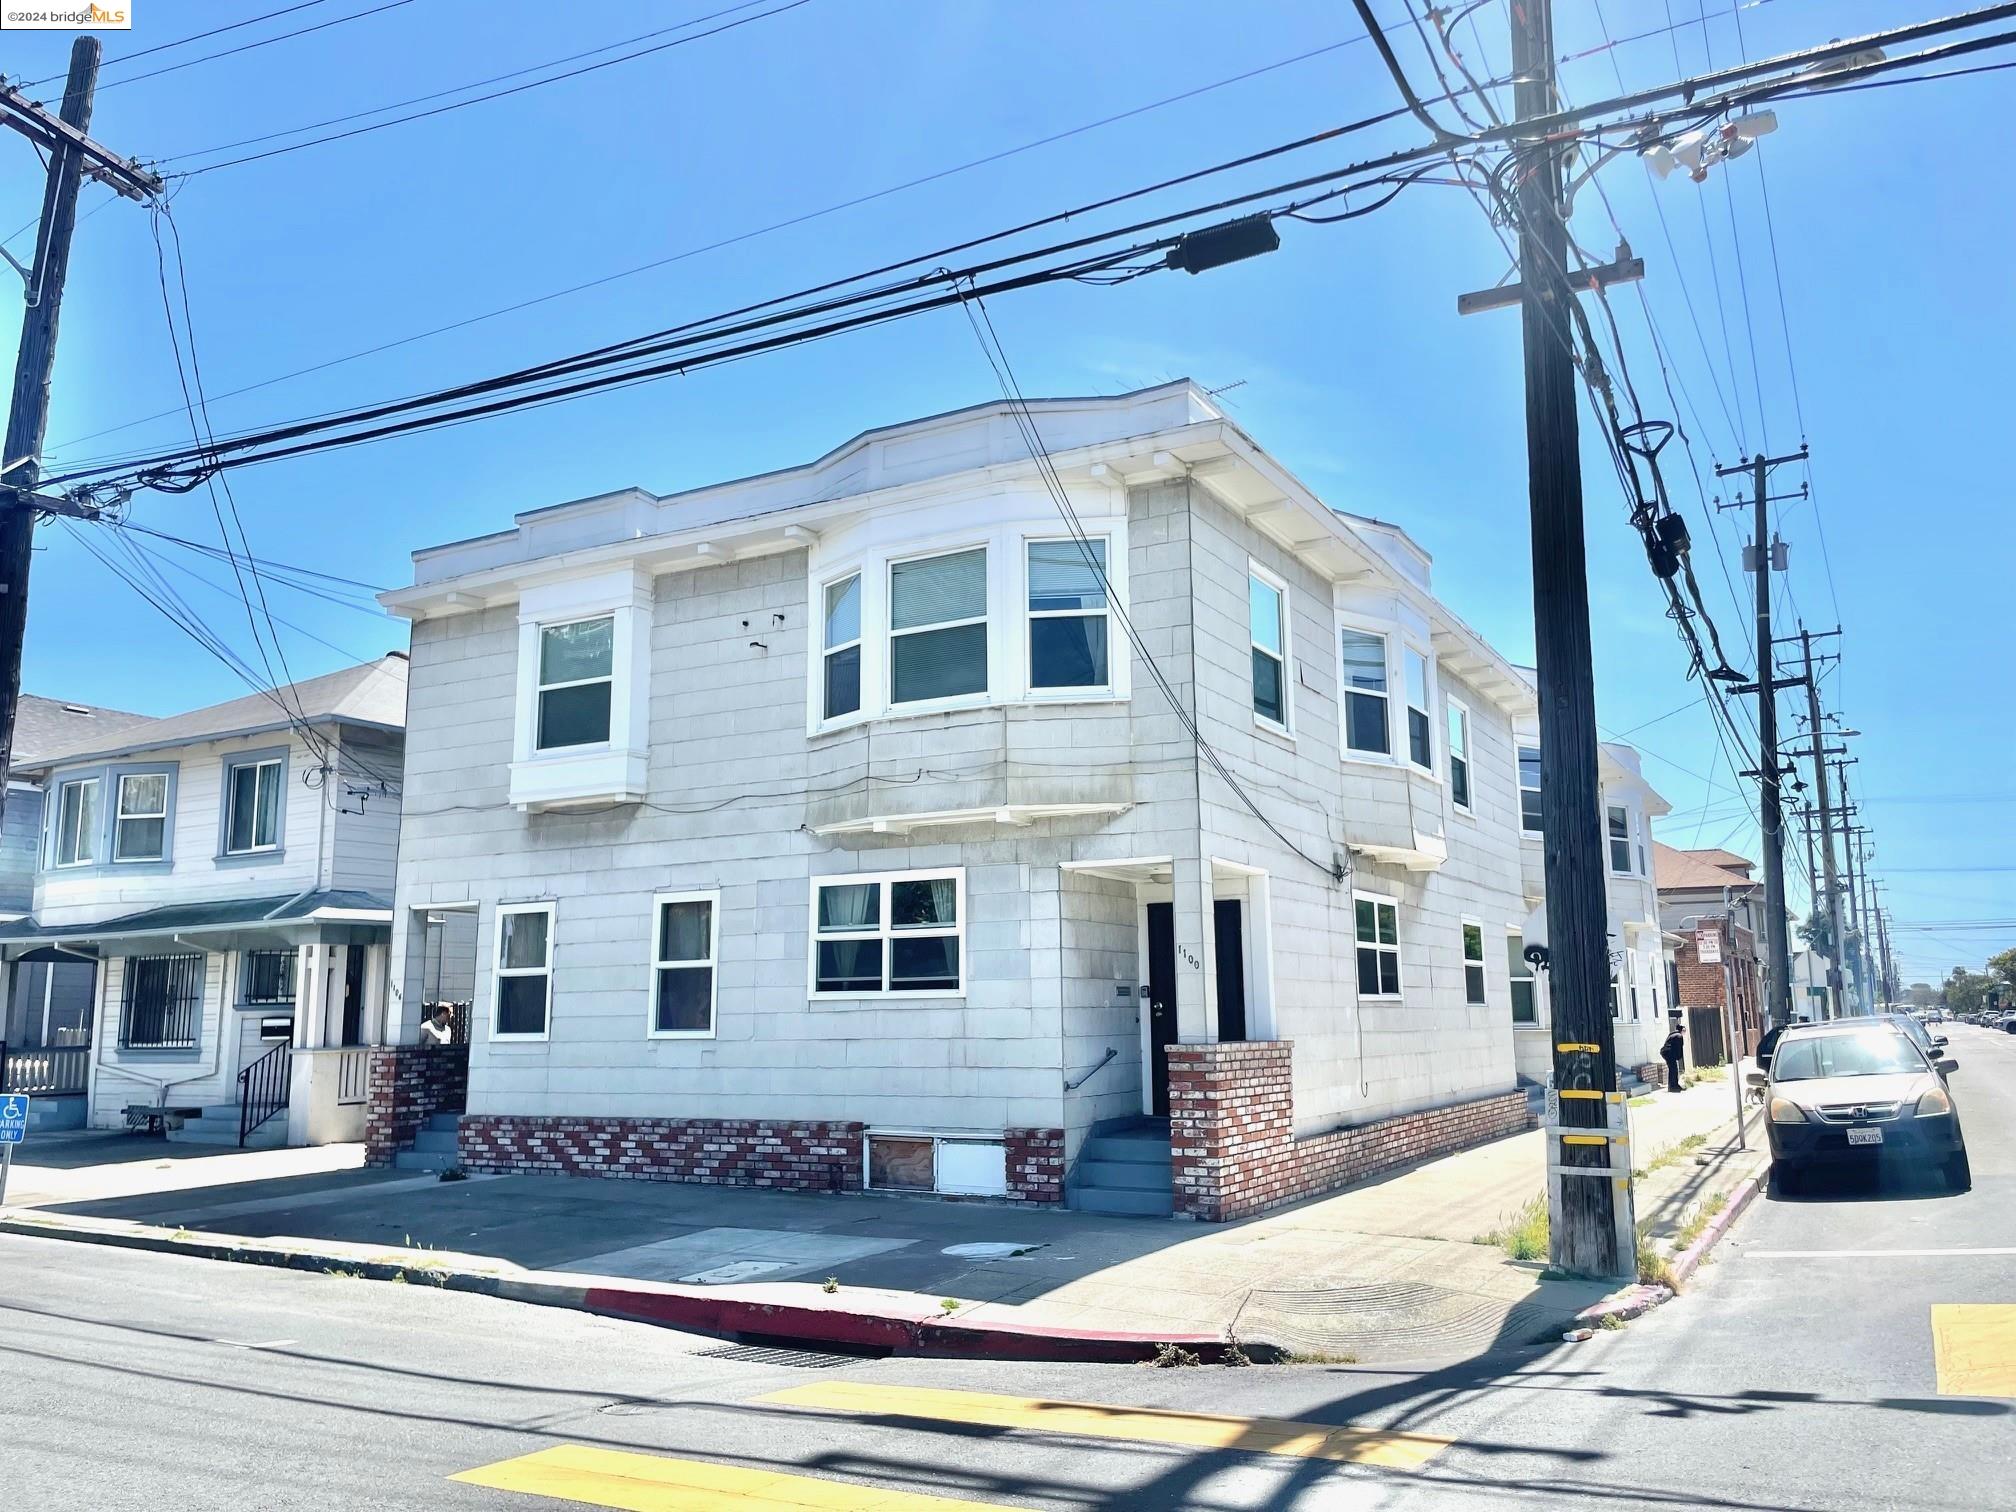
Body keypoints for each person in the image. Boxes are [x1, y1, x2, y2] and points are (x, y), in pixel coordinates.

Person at [1661, 1020, 1686, 1092]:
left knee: (1673, 1069)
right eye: (1684, 1030)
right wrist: (1679, 1057)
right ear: (1681, 1030)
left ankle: (1673, 1085)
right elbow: (1679, 1047)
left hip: (1665, 1052)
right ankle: (1673, 1086)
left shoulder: (1672, 1034)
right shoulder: (1679, 1036)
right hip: (1669, 1053)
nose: (1684, 1032)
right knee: (1673, 1069)